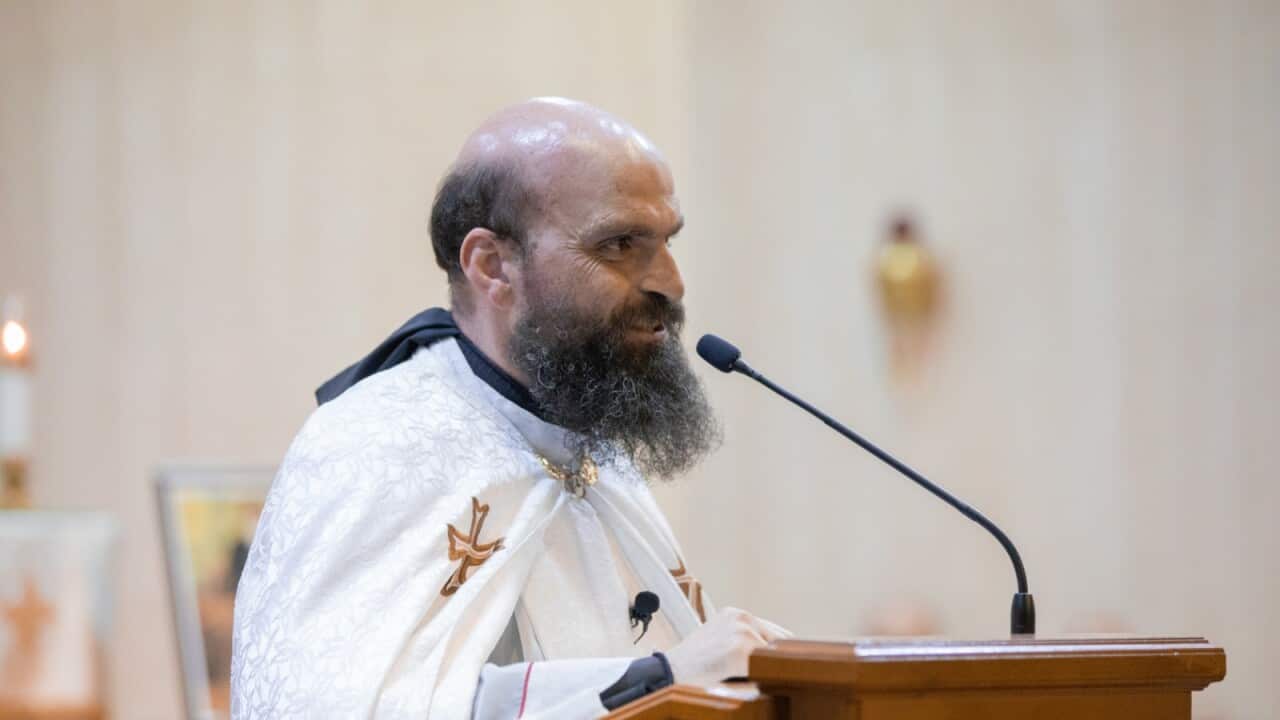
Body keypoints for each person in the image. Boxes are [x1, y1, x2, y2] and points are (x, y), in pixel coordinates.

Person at [230, 97, 790, 719]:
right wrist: (660, 678)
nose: (670, 281)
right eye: (622, 243)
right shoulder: (372, 448)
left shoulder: (587, 444)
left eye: (666, 240)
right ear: (493, 265)